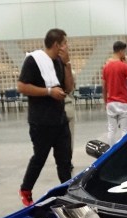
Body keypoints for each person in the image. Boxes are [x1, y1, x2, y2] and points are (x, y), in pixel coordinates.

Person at [16, 28, 74, 206]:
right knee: (39, 158)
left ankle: (67, 193)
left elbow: (69, 88)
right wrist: (49, 92)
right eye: (65, 43)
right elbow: (21, 86)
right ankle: (26, 189)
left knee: (64, 160)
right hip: (41, 121)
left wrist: (67, 64)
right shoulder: (34, 60)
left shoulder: (59, 62)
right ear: (57, 44)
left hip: (60, 119)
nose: (66, 46)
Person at [101, 41, 127, 145]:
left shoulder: (106, 66)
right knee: (125, 130)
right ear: (120, 51)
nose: (124, 53)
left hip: (111, 102)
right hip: (123, 101)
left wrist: (105, 101)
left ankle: (111, 151)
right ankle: (124, 151)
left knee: (111, 129)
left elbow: (104, 86)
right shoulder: (123, 66)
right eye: (124, 51)